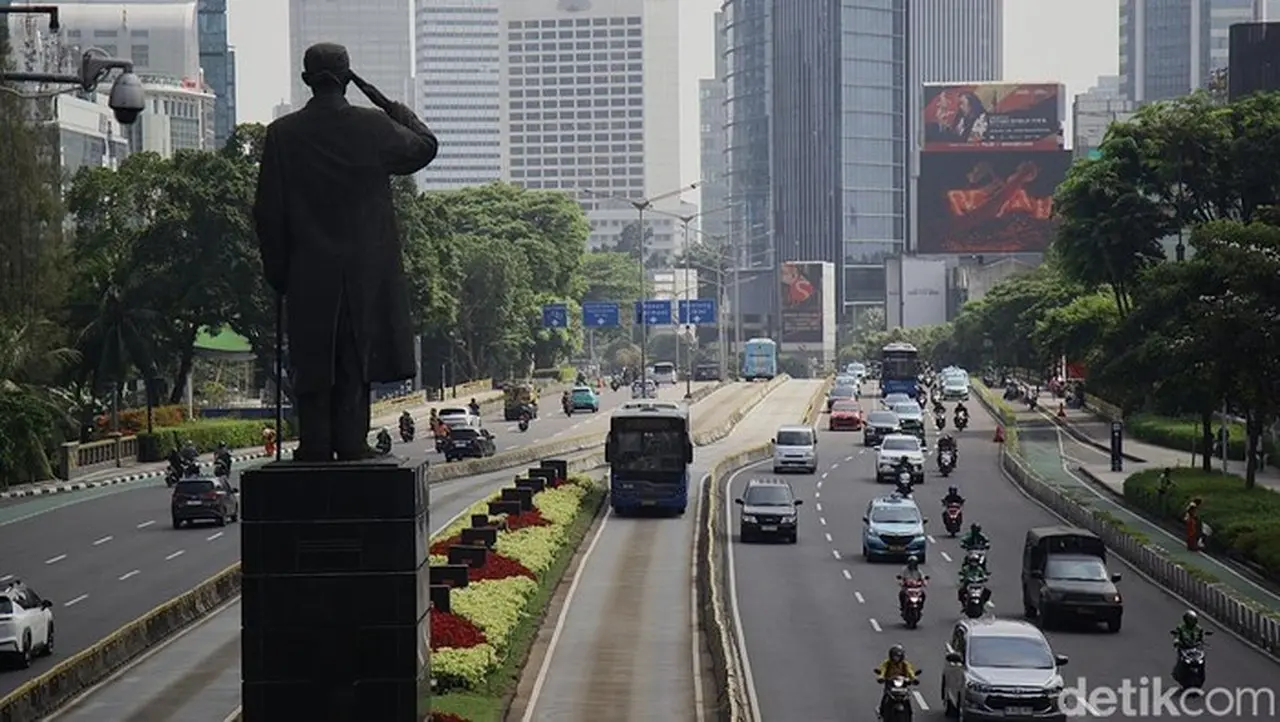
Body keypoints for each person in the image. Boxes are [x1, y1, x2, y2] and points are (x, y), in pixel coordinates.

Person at [253, 42, 438, 462]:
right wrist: (389, 104)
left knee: (312, 357)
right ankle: (352, 442)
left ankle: (315, 443)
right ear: (347, 76)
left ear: (307, 80)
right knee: (356, 355)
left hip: (306, 270)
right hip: (365, 269)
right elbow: (425, 145)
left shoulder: (283, 134)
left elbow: (267, 210)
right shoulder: (372, 127)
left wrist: (278, 271)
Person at [874, 644, 918, 718]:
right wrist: (881, 677)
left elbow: (910, 671)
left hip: (902, 685)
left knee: (907, 699)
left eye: (898, 656)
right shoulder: (887, 663)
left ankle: (909, 714)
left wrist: (913, 678)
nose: (896, 658)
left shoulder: (905, 664)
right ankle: (881, 711)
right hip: (890, 684)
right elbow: (883, 670)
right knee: (886, 697)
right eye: (894, 656)